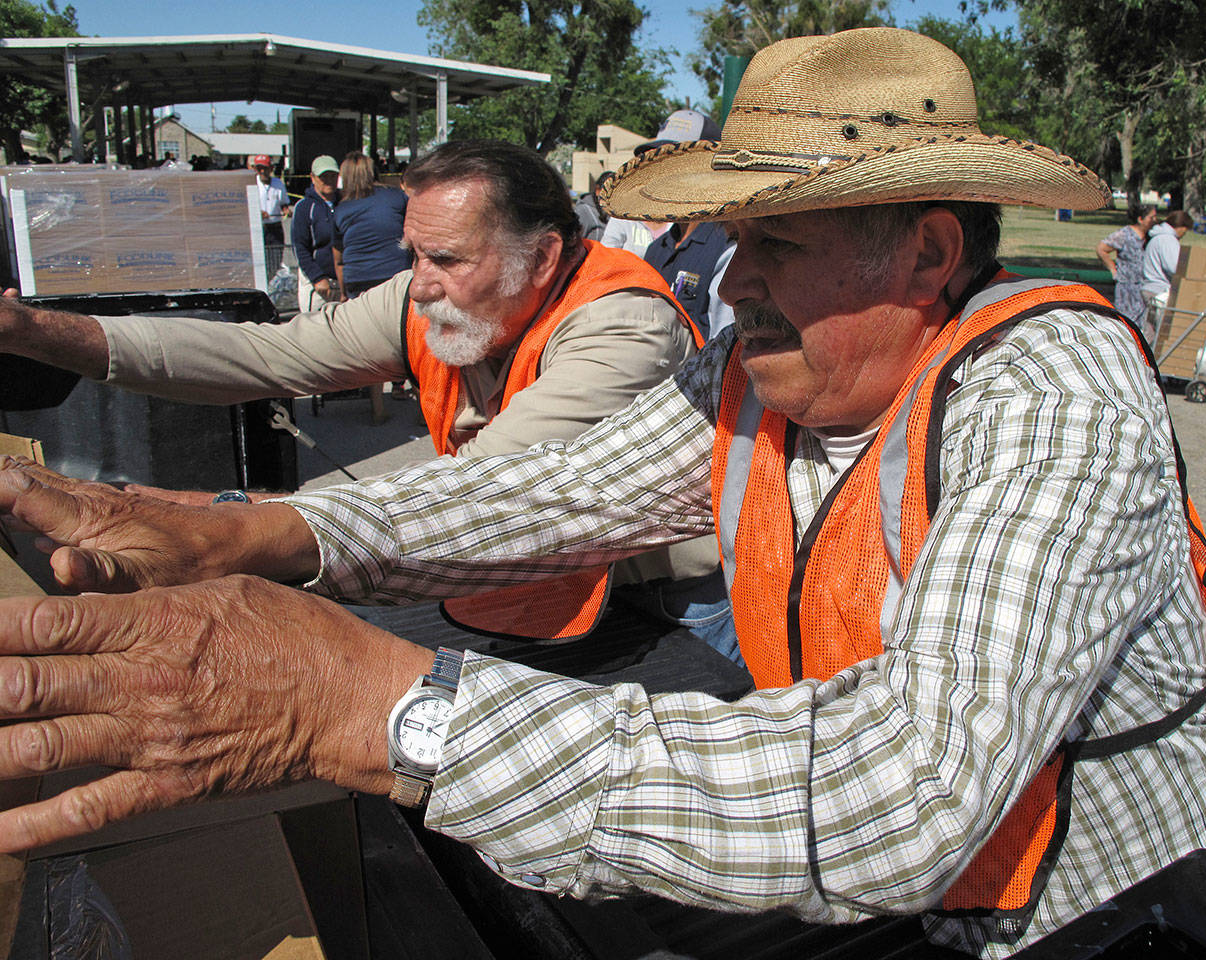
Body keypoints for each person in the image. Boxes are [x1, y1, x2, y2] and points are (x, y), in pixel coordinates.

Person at [0, 28, 1206, 959]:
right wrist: (265, 529)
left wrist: (378, 707)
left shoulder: (1048, 384)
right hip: (928, 901)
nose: (732, 279)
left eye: (773, 238)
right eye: (730, 238)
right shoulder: (759, 372)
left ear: (928, 251)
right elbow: (548, 497)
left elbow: (906, 791)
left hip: (1118, 913)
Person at [0, 138, 731, 655]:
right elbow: (271, 352)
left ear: (541, 257)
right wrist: (39, 332)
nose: (419, 284)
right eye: (414, 253)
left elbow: (469, 496)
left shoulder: (624, 324)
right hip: (532, 583)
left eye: (445, 258)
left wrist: (209, 523)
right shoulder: (430, 296)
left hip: (663, 607)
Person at [633, 110, 736, 340]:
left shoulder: (726, 250)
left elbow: (725, 345)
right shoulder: (657, 249)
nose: (661, 174)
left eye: (675, 163)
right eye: (658, 163)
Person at [331, 152, 412, 301]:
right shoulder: (397, 197)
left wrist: (343, 294)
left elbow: (338, 260)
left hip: (357, 281)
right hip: (396, 276)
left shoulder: (341, 210)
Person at [1096, 203, 1158, 340]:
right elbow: (1102, 249)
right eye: (1151, 217)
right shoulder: (1124, 234)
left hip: (1144, 286)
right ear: (1140, 219)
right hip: (1127, 287)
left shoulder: (1150, 237)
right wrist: (1113, 268)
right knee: (1126, 324)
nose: (1154, 220)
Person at [292, 155, 341, 312]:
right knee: (313, 332)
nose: (328, 180)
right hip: (317, 286)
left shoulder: (347, 203)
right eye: (323, 176)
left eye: (332, 176)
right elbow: (299, 248)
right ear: (312, 178)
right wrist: (317, 278)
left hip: (343, 284)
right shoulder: (304, 208)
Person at [1140, 209, 1194, 304]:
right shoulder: (1168, 240)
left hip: (1150, 287)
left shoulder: (1158, 237)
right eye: (1185, 232)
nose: (1183, 235)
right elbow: (1174, 268)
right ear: (1181, 227)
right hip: (1160, 291)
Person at [252, 154, 291, 276]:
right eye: (259, 168)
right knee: (259, 262)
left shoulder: (278, 183)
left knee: (275, 260)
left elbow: (284, 203)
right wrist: (258, 213)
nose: (262, 171)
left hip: (275, 227)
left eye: (265, 168)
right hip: (259, 228)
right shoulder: (253, 184)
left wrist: (286, 210)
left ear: (271, 168)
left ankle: (272, 283)